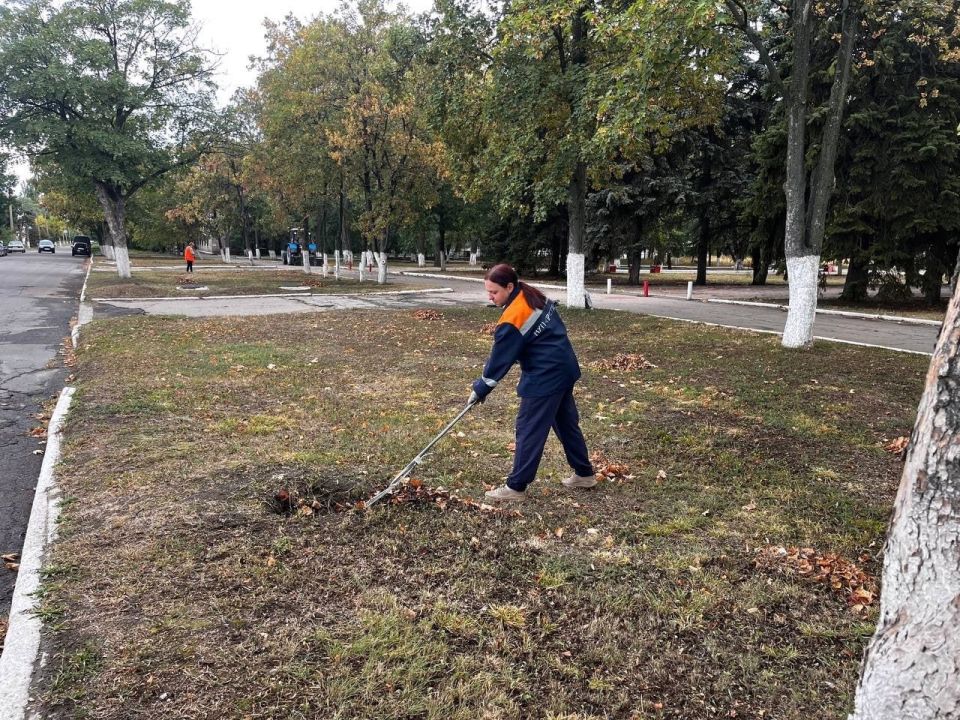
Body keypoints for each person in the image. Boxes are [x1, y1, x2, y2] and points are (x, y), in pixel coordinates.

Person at [470, 263, 595, 502]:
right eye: (488, 291)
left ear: (509, 286)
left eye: (494, 292)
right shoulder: (532, 296)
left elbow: (499, 361)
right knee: (566, 423)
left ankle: (515, 487)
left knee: (529, 429)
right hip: (564, 367)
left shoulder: (513, 317)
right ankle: (584, 474)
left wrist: (481, 388)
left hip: (546, 377)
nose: (490, 296)